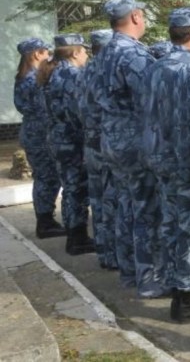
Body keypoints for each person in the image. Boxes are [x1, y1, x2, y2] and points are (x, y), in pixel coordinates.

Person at [140, 7, 190, 322]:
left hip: (160, 160)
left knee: (173, 224)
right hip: (189, 164)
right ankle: (188, 300)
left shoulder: (154, 69)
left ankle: (179, 289)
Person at [97, 0, 167, 298]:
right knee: (147, 209)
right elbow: (151, 100)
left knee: (126, 204)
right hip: (135, 142)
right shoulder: (133, 55)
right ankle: (149, 279)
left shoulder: (106, 51)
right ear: (137, 17)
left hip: (111, 138)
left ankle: (128, 270)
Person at [36, 33, 95, 255]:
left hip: (58, 136)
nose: (86, 55)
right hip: (72, 138)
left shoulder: (51, 72)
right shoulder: (71, 74)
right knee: (77, 188)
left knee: (70, 187)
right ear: (75, 52)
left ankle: (74, 234)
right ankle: (77, 237)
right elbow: (77, 111)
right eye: (84, 51)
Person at [13, 38, 65, 239]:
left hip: (32, 131)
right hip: (40, 134)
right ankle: (45, 222)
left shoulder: (23, 77)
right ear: (36, 54)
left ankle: (45, 219)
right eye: (46, 52)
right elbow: (44, 110)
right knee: (47, 177)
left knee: (44, 177)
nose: (49, 56)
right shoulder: (34, 79)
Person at [77, 29, 119, 269]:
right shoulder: (107, 71)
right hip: (109, 141)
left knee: (99, 199)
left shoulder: (86, 71)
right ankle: (115, 256)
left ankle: (104, 252)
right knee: (114, 199)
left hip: (91, 142)